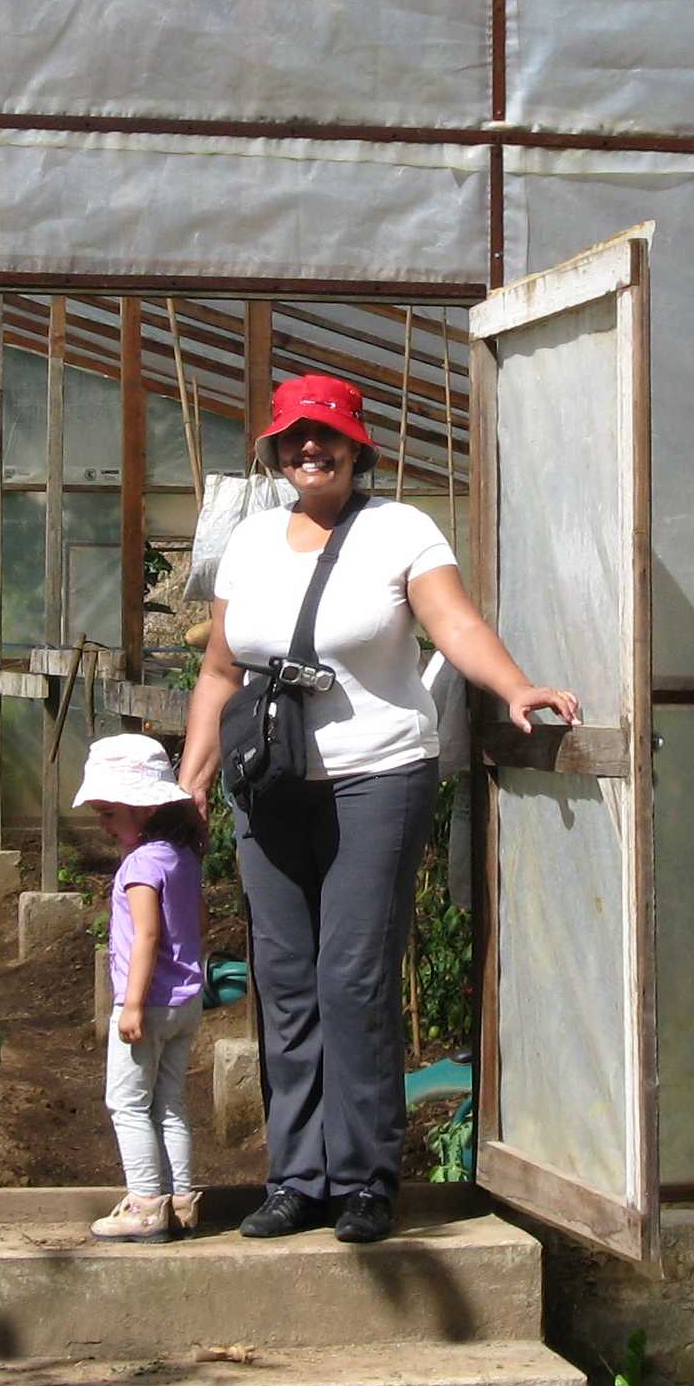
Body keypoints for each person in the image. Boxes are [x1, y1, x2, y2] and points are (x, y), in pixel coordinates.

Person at [179, 372, 578, 1245]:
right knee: (283, 984)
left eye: (326, 436)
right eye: (292, 438)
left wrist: (515, 689)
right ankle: (297, 1178)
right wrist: (194, 783)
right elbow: (218, 672)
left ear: (359, 448)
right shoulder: (248, 543)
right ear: (276, 451)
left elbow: (455, 626)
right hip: (269, 788)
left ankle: (366, 1179)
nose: (309, 450)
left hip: (376, 781)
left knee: (352, 979)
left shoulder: (400, 530)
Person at [75, 732, 210, 1244]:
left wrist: (130, 1003)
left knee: (128, 1104)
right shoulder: (181, 857)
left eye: (110, 813)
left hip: (147, 1005)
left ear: (144, 809)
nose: (104, 825)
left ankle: (146, 1204)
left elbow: (146, 933)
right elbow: (197, 920)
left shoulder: (139, 865)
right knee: (169, 1102)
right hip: (184, 1001)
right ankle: (182, 1199)